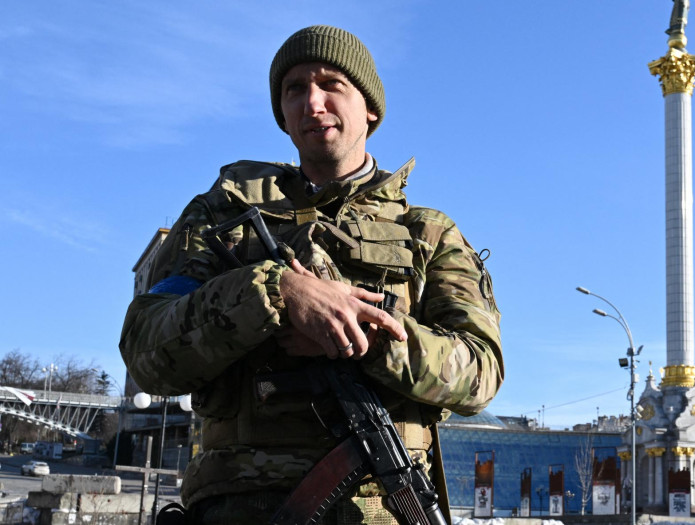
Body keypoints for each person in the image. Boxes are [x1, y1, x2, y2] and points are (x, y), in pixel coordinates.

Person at [119, 25, 503, 524]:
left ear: (370, 108)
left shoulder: (426, 233)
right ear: (282, 114)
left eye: (331, 85)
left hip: (380, 506)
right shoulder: (221, 217)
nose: (312, 102)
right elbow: (146, 348)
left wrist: (362, 333)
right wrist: (275, 292)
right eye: (294, 89)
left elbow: (481, 373)